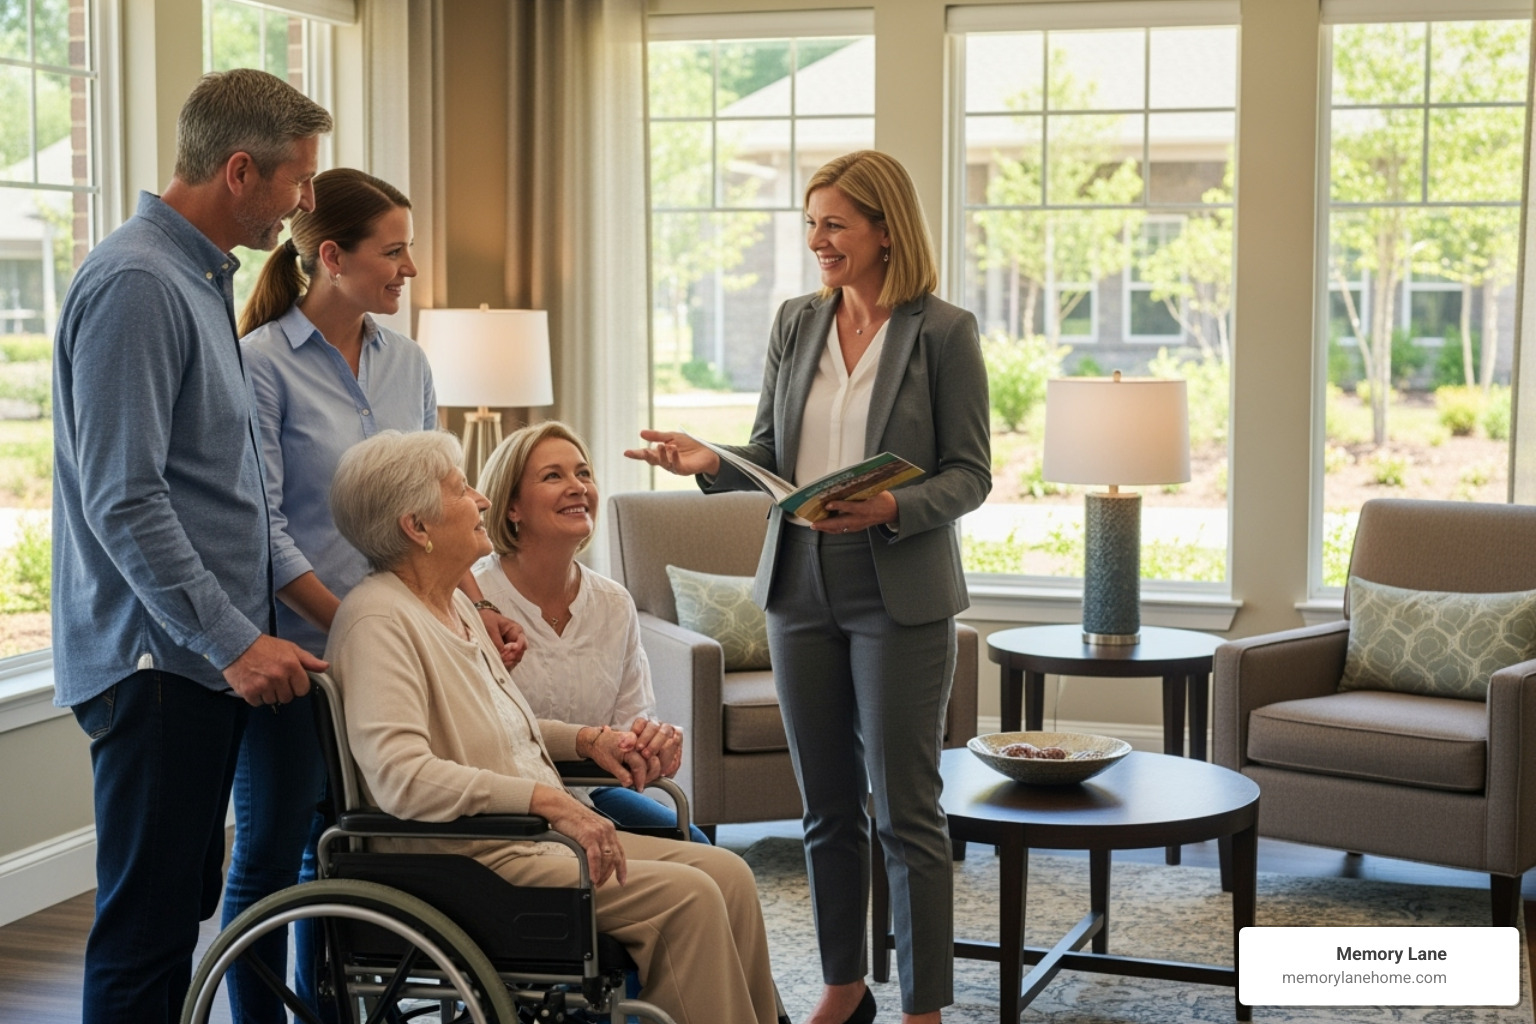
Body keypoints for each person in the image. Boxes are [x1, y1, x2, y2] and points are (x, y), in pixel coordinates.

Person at [626, 149, 991, 1024]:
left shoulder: (943, 331)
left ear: (883, 229)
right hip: (799, 587)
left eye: (834, 223)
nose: (817, 239)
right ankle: (844, 985)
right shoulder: (797, 322)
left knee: (907, 810)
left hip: (897, 590)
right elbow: (770, 455)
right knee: (825, 804)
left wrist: (891, 505)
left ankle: (925, 1010)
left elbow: (970, 474)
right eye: (810, 222)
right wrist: (710, 461)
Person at [325, 429, 781, 1024]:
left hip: (522, 840)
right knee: (690, 898)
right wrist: (550, 801)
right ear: (418, 526)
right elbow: (402, 779)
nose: (481, 500)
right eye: (462, 489)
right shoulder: (378, 621)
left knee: (729, 873)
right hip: (471, 859)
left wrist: (591, 740)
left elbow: (502, 724)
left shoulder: (455, 606)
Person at [51, 69, 333, 1024]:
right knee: (147, 933)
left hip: (195, 659)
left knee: (181, 911)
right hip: (159, 661)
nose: (303, 203)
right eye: (297, 181)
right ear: (241, 169)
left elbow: (210, 486)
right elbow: (122, 498)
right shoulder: (137, 281)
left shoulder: (199, 275)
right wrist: (232, 639)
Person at [225, 167, 526, 1021]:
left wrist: (479, 608)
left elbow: (441, 509)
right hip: (300, 658)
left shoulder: (410, 363)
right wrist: (360, 624)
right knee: (274, 853)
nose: (410, 269)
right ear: (331, 257)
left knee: (355, 855)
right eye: (393, 251)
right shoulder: (260, 366)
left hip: (402, 652)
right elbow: (267, 530)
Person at [472, 421, 709, 843]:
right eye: (553, 476)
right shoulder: (477, 601)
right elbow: (480, 732)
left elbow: (631, 724)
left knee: (702, 849)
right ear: (512, 508)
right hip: (511, 801)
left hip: (592, 791)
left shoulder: (614, 603)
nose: (578, 486)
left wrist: (653, 743)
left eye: (583, 473)